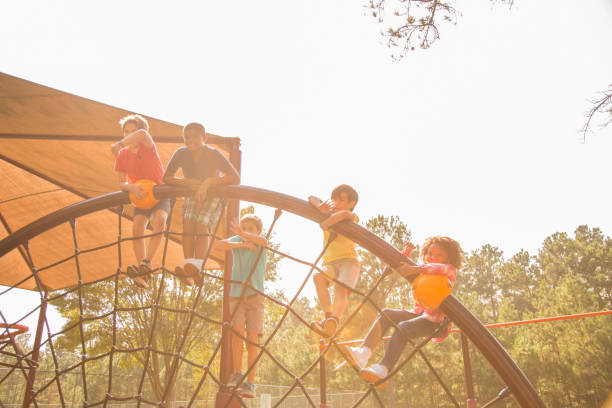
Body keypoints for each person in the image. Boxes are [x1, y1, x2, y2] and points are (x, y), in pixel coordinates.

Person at [340, 236, 465, 387]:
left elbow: (438, 268)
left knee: (403, 327)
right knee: (387, 313)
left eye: (439, 255)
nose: (433, 257)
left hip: (437, 322)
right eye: (430, 253)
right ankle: (363, 353)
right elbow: (401, 266)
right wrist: (406, 252)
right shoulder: (423, 270)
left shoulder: (448, 271)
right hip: (420, 315)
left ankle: (383, 369)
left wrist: (415, 268)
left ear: (448, 259)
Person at [163, 122, 240, 285]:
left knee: (200, 224)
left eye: (195, 137)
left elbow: (235, 177)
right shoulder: (181, 154)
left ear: (204, 137)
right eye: (186, 137)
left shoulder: (213, 154)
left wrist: (210, 181)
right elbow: (167, 177)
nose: (190, 140)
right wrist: (185, 182)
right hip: (192, 195)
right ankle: (189, 266)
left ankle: (197, 265)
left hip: (213, 195)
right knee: (188, 225)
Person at [111, 114, 171, 288]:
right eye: (126, 132)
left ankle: (147, 262)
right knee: (137, 227)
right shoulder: (123, 155)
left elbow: (143, 134)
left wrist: (119, 144)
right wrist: (132, 188)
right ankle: (141, 270)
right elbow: (122, 182)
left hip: (158, 192)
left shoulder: (148, 147)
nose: (129, 135)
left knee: (159, 221)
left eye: (133, 131)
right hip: (140, 196)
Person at [212, 215, 268, 399]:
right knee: (237, 333)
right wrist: (241, 243)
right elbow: (219, 246)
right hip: (236, 294)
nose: (246, 231)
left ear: (257, 230)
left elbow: (263, 241)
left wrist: (246, 236)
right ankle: (237, 373)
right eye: (244, 227)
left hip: (255, 294)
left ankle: (250, 383)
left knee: (252, 339)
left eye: (250, 228)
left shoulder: (259, 241)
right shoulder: (238, 240)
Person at [309, 184, 360, 338]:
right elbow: (311, 198)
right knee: (318, 277)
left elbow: (345, 215)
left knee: (340, 287)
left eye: (341, 200)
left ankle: (335, 320)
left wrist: (327, 222)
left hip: (349, 261)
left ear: (352, 204)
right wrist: (321, 208)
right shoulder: (328, 213)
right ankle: (329, 318)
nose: (336, 203)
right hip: (330, 263)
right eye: (334, 200)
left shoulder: (352, 216)